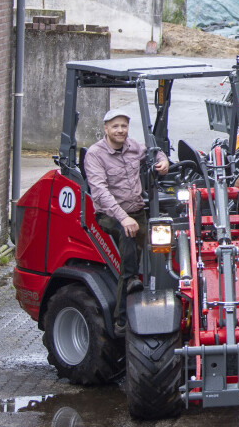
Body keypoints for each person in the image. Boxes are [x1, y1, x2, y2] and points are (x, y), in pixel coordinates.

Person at [83, 108, 168, 337]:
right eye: (115, 126)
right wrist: (123, 217)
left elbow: (154, 152)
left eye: (123, 126)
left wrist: (163, 160)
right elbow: (99, 192)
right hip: (111, 215)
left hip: (137, 211)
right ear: (106, 129)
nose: (120, 130)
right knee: (128, 250)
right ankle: (121, 319)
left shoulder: (133, 147)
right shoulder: (95, 154)